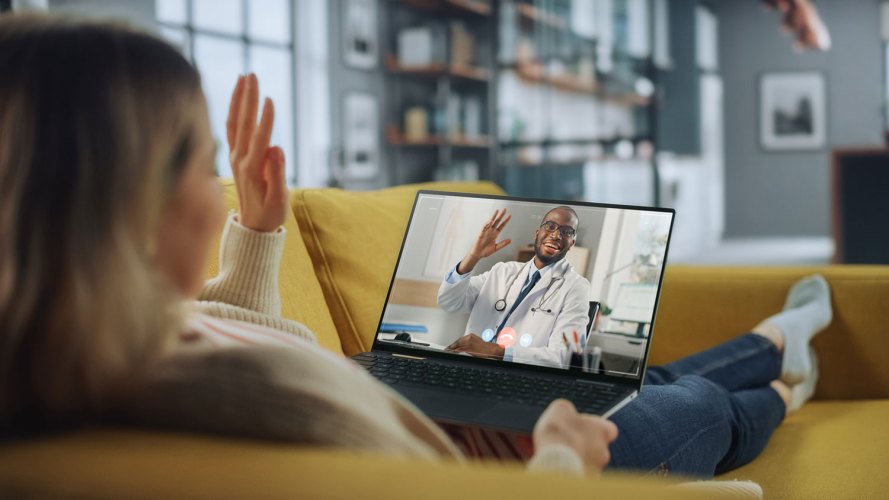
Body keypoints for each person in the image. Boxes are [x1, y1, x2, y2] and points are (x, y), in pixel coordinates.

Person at [0, 14, 831, 486]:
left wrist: (254, 234)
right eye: (200, 160)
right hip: (489, 449)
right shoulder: (205, 418)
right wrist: (556, 461)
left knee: (643, 376)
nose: (213, 183)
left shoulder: (108, 336)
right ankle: (787, 383)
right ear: (126, 199)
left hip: (440, 389)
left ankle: (768, 341)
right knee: (697, 410)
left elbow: (227, 337)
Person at [438, 207, 591, 367]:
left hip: (517, 377)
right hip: (467, 366)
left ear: (572, 243)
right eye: (550, 226)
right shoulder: (503, 271)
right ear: (537, 233)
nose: (556, 235)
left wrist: (495, 351)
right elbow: (449, 302)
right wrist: (473, 256)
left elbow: (565, 357)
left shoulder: (576, 287)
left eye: (566, 231)